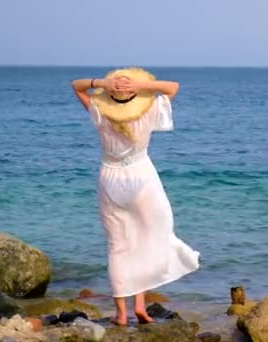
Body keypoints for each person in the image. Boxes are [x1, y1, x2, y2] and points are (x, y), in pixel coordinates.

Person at [71, 68, 200, 325]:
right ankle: (140, 306)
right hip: (142, 176)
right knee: (151, 237)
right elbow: (172, 86)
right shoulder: (149, 108)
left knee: (118, 246)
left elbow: (76, 85)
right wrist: (138, 85)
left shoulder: (98, 109)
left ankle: (121, 313)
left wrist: (103, 83)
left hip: (110, 177)